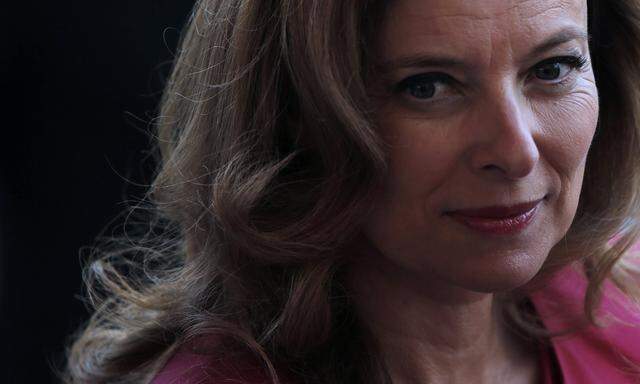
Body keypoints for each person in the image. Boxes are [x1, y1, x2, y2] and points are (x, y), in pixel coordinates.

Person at [64, 0, 640, 383]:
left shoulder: (619, 318)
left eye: (554, 68)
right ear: (294, 115)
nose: (517, 152)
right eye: (427, 86)